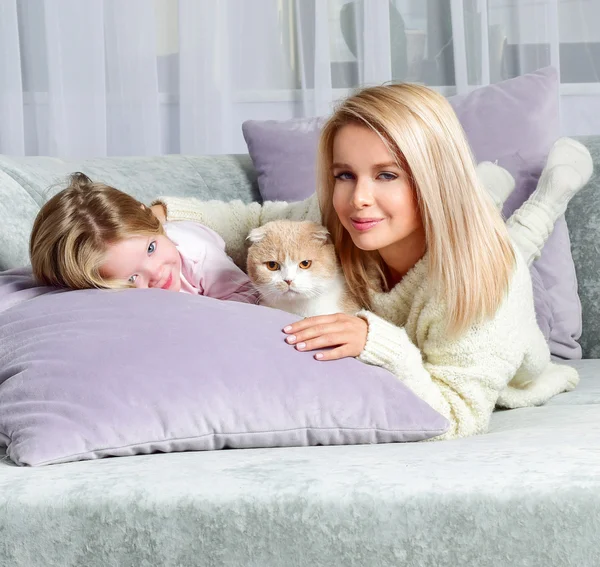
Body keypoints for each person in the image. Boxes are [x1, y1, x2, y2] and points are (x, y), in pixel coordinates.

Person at [151, 83, 592, 439]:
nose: (358, 199)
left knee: (516, 242)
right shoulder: (335, 221)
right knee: (474, 216)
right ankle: (484, 189)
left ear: (433, 179)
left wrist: (377, 342)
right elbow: (256, 219)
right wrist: (157, 219)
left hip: (508, 325)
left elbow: (456, 417)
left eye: (386, 175)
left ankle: (552, 194)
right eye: (344, 175)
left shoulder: (486, 284)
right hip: (447, 225)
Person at [29, 172, 257, 304]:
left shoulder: (199, 256)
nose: (157, 273)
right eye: (132, 277)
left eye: (151, 249)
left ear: (154, 223)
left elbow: (250, 299)